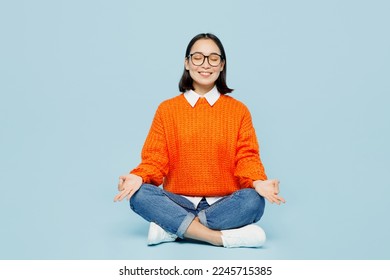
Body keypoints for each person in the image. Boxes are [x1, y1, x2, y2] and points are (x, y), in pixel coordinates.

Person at [114, 33, 285, 248]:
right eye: (197, 57)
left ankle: (173, 229)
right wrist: (138, 177)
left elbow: (246, 157)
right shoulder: (167, 109)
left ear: (222, 65)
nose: (205, 64)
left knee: (254, 201)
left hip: (223, 204)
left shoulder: (238, 110)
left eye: (213, 58)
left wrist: (258, 182)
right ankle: (216, 237)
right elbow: (155, 160)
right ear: (187, 63)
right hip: (178, 202)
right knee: (139, 196)